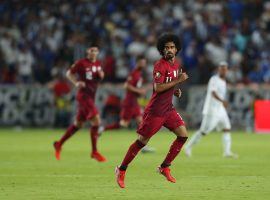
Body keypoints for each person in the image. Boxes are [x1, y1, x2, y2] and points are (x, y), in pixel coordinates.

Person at [115, 33, 189, 188]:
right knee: (142, 142)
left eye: (172, 47)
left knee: (183, 135)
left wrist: (175, 90)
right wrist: (178, 81)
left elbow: (168, 85)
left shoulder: (176, 65)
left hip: (168, 109)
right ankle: (121, 169)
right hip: (155, 111)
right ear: (162, 50)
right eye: (166, 47)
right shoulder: (159, 65)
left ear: (177, 49)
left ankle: (165, 167)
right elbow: (158, 87)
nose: (169, 50)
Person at [53, 44, 106, 162]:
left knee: (78, 125)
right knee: (96, 121)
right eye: (92, 50)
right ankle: (94, 152)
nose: (94, 52)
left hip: (91, 97)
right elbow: (68, 73)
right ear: (88, 51)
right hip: (84, 96)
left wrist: (102, 75)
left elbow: (99, 75)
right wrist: (76, 82)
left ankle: (59, 144)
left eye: (96, 50)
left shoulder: (97, 63)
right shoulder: (81, 63)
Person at [99, 55, 155, 153]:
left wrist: (140, 91)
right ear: (137, 62)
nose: (143, 64)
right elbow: (126, 85)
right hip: (129, 103)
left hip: (134, 103)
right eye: (141, 62)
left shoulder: (139, 73)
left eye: (144, 62)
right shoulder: (134, 73)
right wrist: (139, 91)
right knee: (123, 124)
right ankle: (102, 128)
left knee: (141, 122)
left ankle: (142, 146)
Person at [184, 61, 238, 158]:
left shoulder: (224, 81)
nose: (224, 71)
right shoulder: (214, 79)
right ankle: (188, 146)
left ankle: (227, 152)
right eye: (222, 69)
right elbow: (213, 93)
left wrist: (222, 103)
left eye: (225, 69)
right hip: (211, 110)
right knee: (204, 131)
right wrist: (223, 101)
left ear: (227, 70)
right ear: (219, 70)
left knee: (226, 128)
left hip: (220, 109)